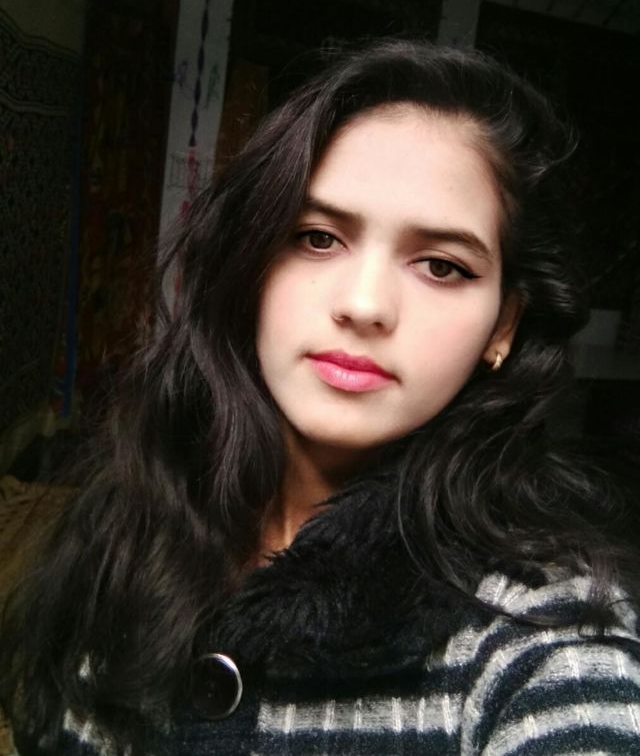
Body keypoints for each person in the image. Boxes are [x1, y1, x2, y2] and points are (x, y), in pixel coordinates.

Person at [2, 40, 640, 755]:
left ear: (503, 327)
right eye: (315, 237)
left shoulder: (542, 630)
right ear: (250, 263)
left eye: (441, 265)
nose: (364, 305)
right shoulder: (141, 510)